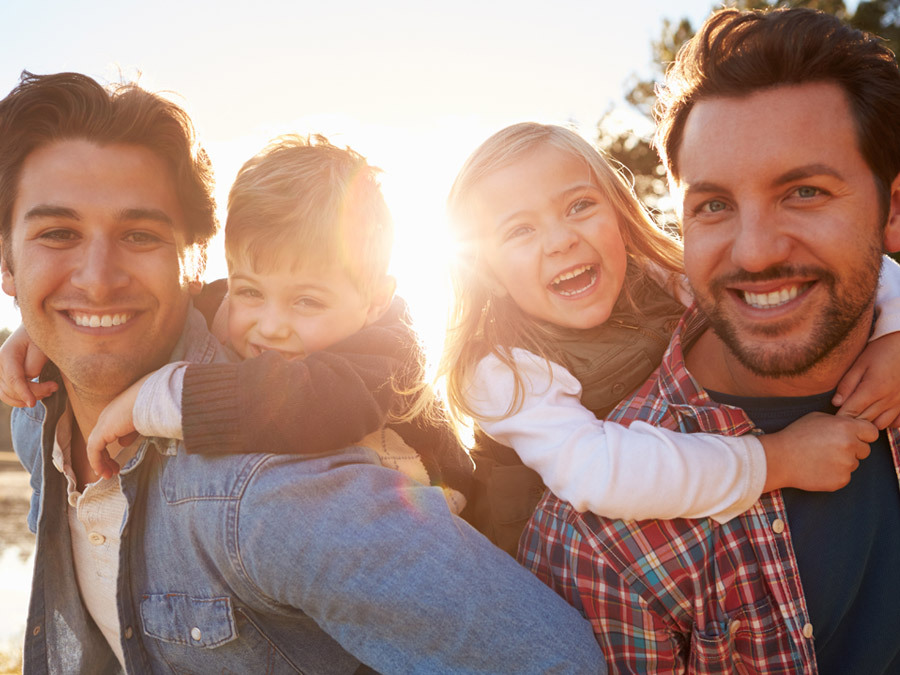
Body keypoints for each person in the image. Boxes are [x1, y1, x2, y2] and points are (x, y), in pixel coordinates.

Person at [0, 70, 605, 674]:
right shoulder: (39, 411)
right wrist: (54, 324)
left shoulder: (275, 490)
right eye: (58, 234)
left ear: (190, 260)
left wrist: (136, 373)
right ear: (7, 264)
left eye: (139, 235)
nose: (98, 278)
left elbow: (551, 661)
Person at [519, 7, 900, 672]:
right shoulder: (603, 541)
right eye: (714, 205)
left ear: (892, 209)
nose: (753, 253)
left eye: (804, 191)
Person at [438, 120, 900, 555]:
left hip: (703, 514)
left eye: (579, 206)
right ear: (488, 274)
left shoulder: (660, 278)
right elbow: (599, 472)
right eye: (520, 230)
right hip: (580, 581)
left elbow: (822, 271)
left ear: (619, 216)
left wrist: (895, 332)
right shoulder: (501, 370)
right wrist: (777, 459)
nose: (561, 240)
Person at [5, 133, 473, 515]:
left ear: (374, 301)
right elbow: (161, 311)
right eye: (250, 291)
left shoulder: (388, 358)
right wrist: (48, 330)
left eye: (307, 301)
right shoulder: (227, 307)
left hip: (457, 539)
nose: (270, 326)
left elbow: (305, 403)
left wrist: (158, 398)